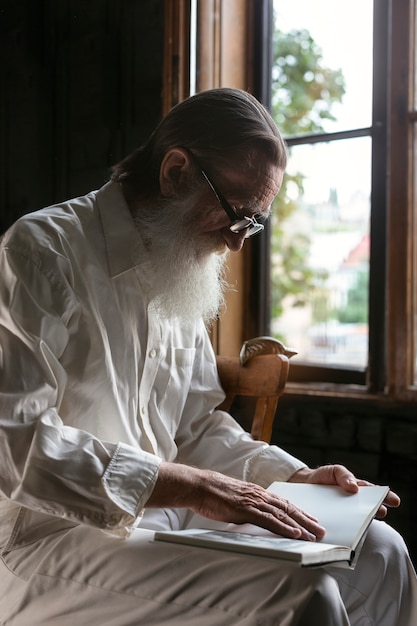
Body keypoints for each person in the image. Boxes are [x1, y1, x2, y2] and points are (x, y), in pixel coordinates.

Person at [0, 87, 415, 626]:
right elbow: (16, 443)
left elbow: (194, 429)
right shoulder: (38, 252)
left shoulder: (179, 265)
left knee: (382, 554)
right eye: (236, 214)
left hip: (163, 522)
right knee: (301, 596)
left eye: (253, 223)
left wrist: (291, 479)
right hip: (41, 541)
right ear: (175, 171)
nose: (239, 243)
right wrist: (188, 486)